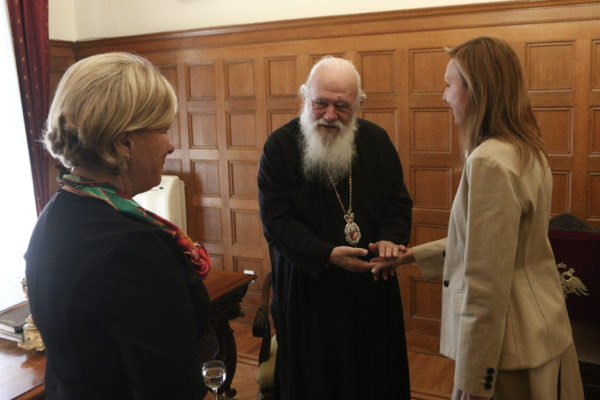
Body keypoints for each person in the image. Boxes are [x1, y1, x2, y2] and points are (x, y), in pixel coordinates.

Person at [371, 36, 584, 400]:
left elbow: (486, 282)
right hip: (539, 332)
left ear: (475, 89)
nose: (444, 97)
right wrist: (411, 256)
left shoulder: (488, 161)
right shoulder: (525, 148)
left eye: (448, 85)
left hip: (507, 349)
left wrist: (474, 380)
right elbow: (492, 243)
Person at [25, 52, 212, 400]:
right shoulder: (135, 246)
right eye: (163, 130)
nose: (171, 146)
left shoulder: (58, 211)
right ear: (124, 142)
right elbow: (169, 387)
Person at [258, 56, 413, 400]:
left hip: (371, 288)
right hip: (308, 292)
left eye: (341, 106)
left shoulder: (376, 141)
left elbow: (398, 202)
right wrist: (326, 254)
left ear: (358, 105)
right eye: (320, 103)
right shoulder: (280, 147)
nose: (329, 115)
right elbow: (276, 222)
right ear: (305, 97)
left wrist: (390, 239)